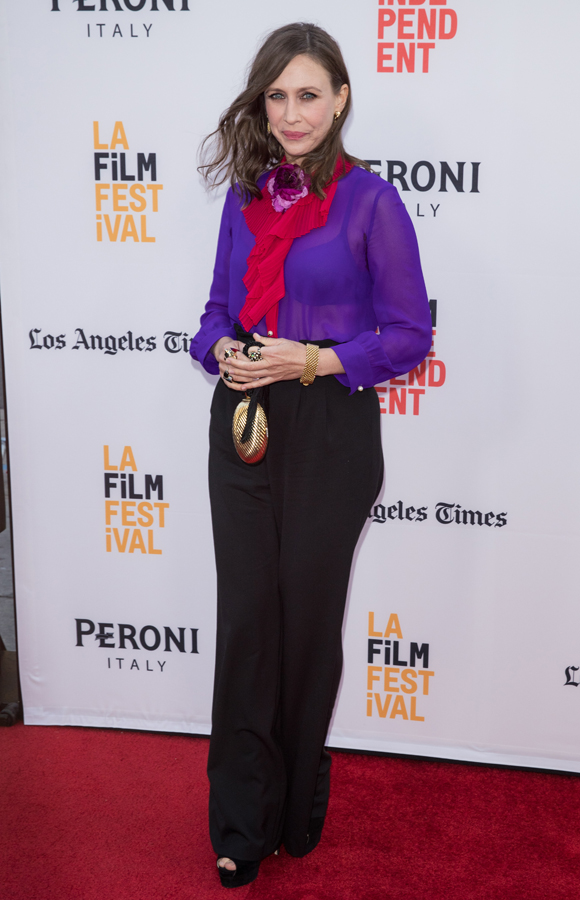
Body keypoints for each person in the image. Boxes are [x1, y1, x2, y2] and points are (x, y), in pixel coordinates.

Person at [190, 22, 432, 888]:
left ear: (340, 100)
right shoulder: (244, 199)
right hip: (243, 421)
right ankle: (240, 821)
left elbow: (409, 334)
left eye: (308, 95)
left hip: (331, 426)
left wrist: (313, 360)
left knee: (305, 625)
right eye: (277, 96)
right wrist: (221, 349)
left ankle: (294, 810)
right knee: (247, 620)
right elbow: (213, 314)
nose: (291, 114)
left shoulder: (371, 202)